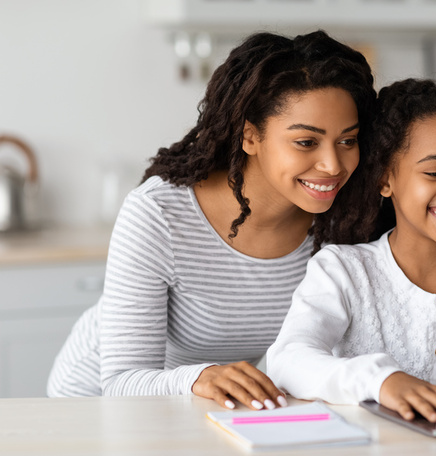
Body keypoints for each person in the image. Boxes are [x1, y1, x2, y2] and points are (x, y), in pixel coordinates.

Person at [47, 30, 377, 412]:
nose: (333, 165)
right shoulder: (159, 214)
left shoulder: (341, 222)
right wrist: (202, 376)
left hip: (204, 407)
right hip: (93, 406)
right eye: (306, 142)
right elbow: (121, 382)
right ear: (250, 135)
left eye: (347, 141)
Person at [266, 78, 436, 423]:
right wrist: (381, 381)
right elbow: (288, 361)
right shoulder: (343, 271)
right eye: (434, 172)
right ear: (385, 179)